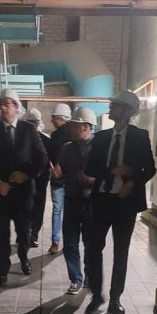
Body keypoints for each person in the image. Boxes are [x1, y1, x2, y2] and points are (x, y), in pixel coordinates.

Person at [85, 89, 156, 314]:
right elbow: (90, 168)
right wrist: (111, 171)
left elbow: (150, 168)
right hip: (101, 200)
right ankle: (96, 294)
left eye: (114, 105)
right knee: (93, 247)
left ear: (126, 111)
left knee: (121, 251)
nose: (110, 107)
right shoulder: (101, 138)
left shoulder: (140, 137)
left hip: (125, 203)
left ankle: (115, 298)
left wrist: (132, 178)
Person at [0, 87, 48, 287]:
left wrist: (26, 175)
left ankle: (23, 257)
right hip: (2, 193)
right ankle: (2, 270)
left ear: (16, 107)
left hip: (24, 193)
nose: (3, 108)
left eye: (7, 104)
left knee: (24, 230)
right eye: (1, 104)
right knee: (2, 233)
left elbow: (42, 158)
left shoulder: (29, 131)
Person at [56, 106, 97, 295]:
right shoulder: (67, 149)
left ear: (85, 127)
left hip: (92, 204)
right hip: (72, 201)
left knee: (91, 243)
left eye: (74, 125)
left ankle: (89, 275)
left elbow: (108, 174)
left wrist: (94, 181)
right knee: (70, 243)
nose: (70, 129)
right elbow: (61, 173)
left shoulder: (99, 148)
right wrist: (57, 175)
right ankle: (75, 279)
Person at [23, 107, 50, 247]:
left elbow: (49, 160)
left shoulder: (45, 140)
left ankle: (33, 235)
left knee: (37, 207)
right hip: (26, 179)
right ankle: (26, 233)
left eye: (34, 122)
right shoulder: (19, 139)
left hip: (40, 180)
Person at [48, 102, 72, 254]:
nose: (52, 121)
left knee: (58, 210)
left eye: (54, 118)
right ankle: (64, 242)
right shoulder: (59, 135)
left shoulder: (60, 135)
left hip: (62, 180)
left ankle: (56, 242)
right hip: (66, 180)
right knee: (65, 211)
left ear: (61, 118)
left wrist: (54, 168)